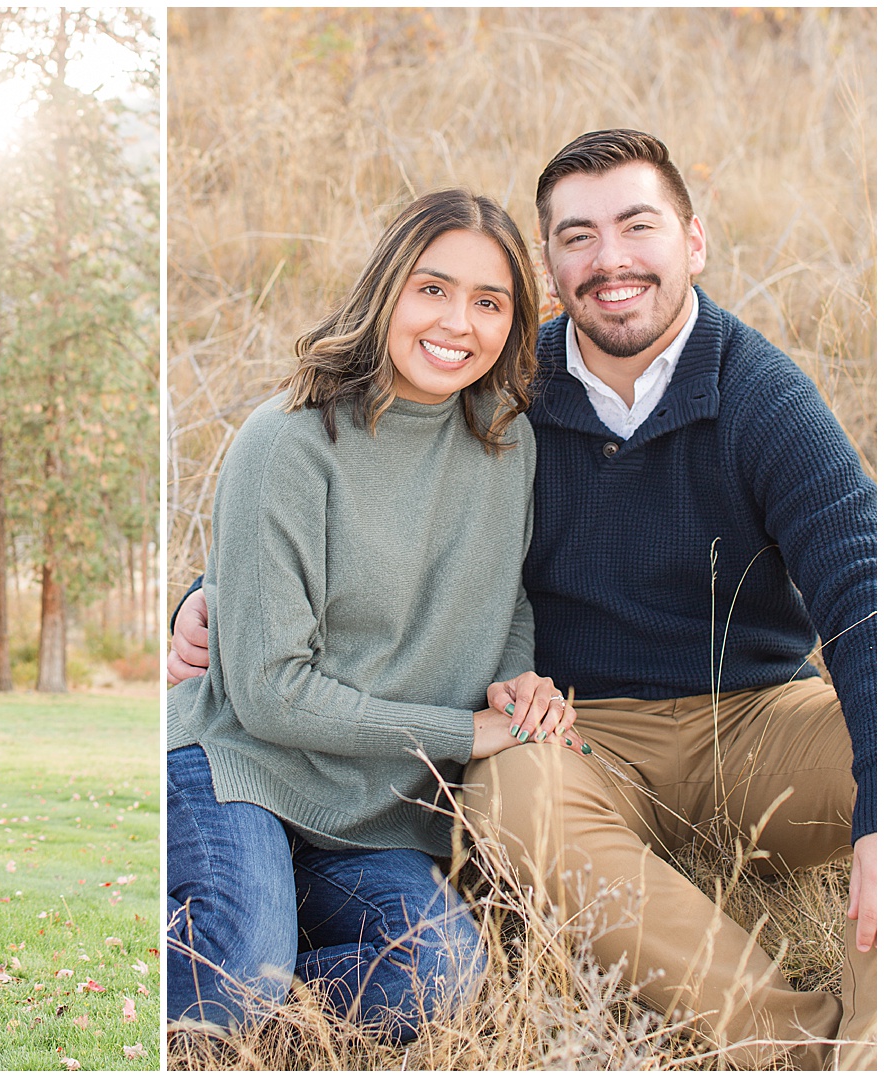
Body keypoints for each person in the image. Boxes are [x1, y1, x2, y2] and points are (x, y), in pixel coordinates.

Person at [169, 129, 876, 1068]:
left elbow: (861, 588)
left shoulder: (755, 396)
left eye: (639, 226)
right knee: (509, 798)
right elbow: (336, 503)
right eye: (579, 236)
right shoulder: (506, 386)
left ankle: (866, 1049)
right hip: (578, 739)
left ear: (693, 242)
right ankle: (789, 1046)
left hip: (754, 724)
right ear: (551, 267)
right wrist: (204, 593)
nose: (611, 259)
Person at [167, 187, 587, 1044]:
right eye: (432, 289)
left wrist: (514, 684)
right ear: (387, 290)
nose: (457, 323)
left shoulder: (508, 442)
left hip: (373, 817)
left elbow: (502, 600)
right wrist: (469, 734)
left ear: (515, 323)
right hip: (241, 772)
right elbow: (272, 696)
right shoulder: (286, 443)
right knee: (233, 980)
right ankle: (228, 978)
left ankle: (250, 993)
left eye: (489, 301)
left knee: (442, 976)